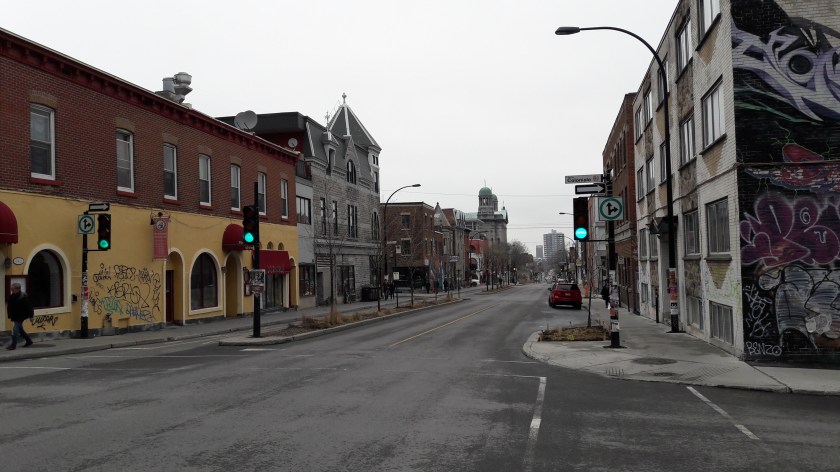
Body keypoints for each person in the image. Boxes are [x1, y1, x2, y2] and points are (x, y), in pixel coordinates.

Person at [6, 282, 34, 350]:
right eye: (11, 289)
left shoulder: (23, 297)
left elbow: (29, 307)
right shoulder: (13, 295)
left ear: (17, 289)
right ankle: (29, 341)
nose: (11, 290)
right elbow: (10, 305)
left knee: (15, 329)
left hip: (20, 316)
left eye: (12, 289)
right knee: (20, 330)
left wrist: (31, 315)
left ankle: (13, 345)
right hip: (15, 315)